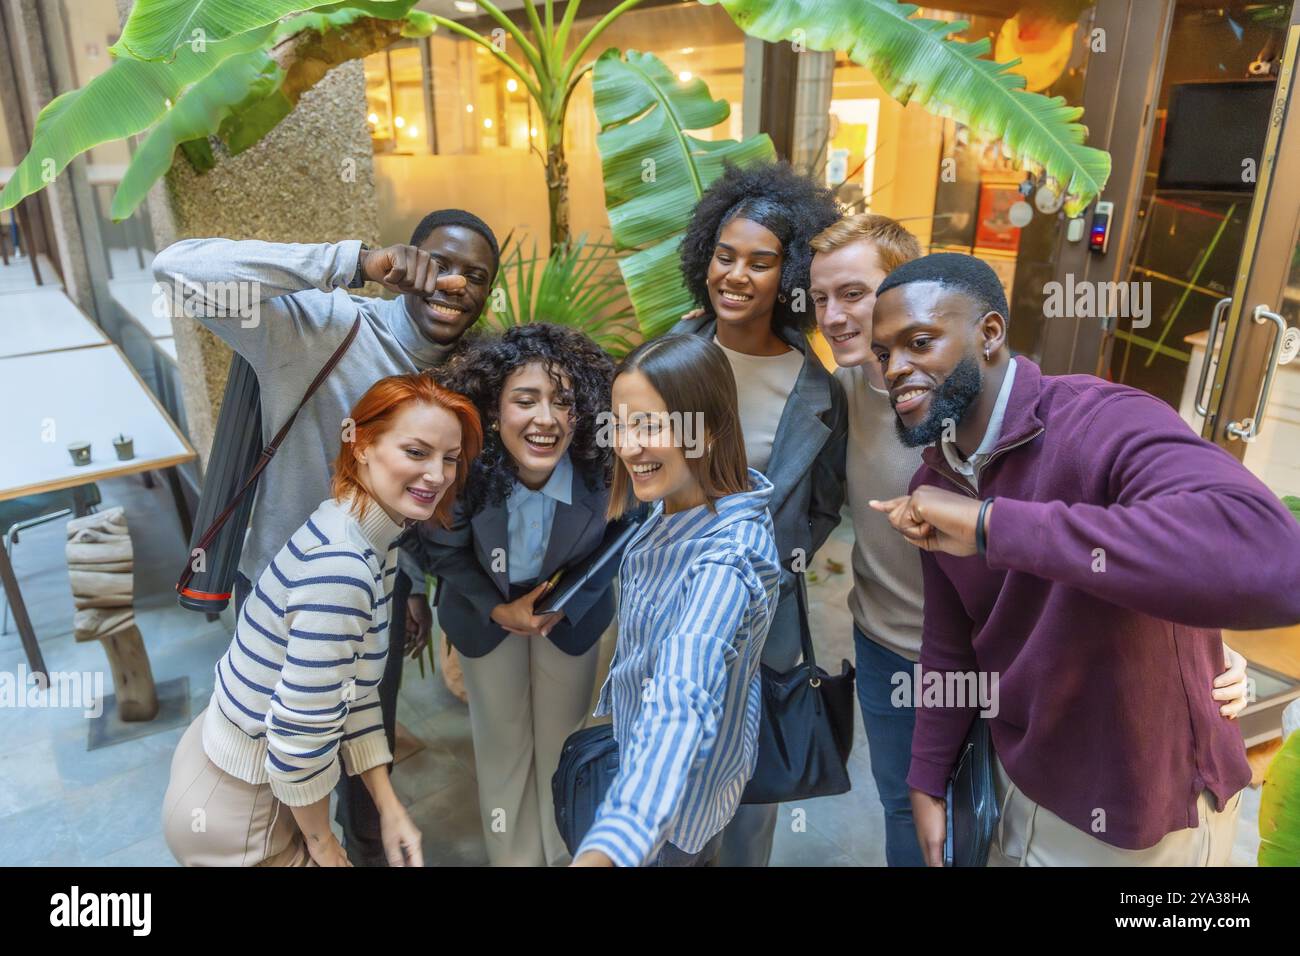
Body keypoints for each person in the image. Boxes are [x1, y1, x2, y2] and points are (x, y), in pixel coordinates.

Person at [810, 214, 1254, 867]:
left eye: (853, 294)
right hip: (891, 648)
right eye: (819, 297)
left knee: (1002, 819)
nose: (833, 315)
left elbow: (1147, 530)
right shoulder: (835, 395)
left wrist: (1204, 644)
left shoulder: (1018, 412)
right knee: (914, 810)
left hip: (1006, 657)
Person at [151, 210, 498, 864]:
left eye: (474, 276)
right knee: (291, 739)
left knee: (359, 724)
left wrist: (412, 584)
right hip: (294, 579)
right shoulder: (320, 327)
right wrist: (351, 260)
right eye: (439, 265)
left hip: (379, 577)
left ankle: (364, 844)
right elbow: (175, 269)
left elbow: (429, 501)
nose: (454, 284)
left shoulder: (465, 374)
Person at [162, 372, 482, 866]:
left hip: (233, 773)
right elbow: (298, 735)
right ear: (362, 447)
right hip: (245, 808)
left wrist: (388, 805)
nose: (438, 475)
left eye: (450, 458)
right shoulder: (345, 566)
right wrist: (323, 844)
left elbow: (350, 693)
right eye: (416, 452)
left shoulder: (365, 528)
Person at [672, 160, 847, 866]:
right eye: (725, 255)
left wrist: (775, 558)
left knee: (751, 790)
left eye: (761, 261)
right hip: (673, 608)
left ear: (792, 275)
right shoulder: (667, 358)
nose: (736, 275)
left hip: (765, 622)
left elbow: (823, 504)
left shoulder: (818, 386)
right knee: (675, 787)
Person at [406, 324, 617, 866]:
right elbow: (443, 552)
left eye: (563, 402)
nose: (545, 419)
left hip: (568, 618)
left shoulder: (604, 470)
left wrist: (561, 603)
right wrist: (500, 607)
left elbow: (621, 543)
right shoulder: (464, 470)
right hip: (485, 612)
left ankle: (561, 852)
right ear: (495, 412)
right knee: (502, 747)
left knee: (560, 744)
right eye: (525, 401)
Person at [571, 334, 782, 867]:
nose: (628, 445)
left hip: (673, 810)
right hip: (666, 772)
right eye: (621, 424)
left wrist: (610, 847)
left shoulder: (726, 560)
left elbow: (681, 697)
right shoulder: (682, 503)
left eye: (649, 424)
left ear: (707, 430)